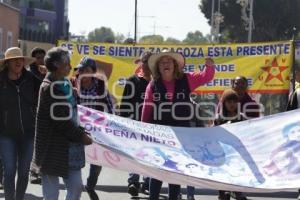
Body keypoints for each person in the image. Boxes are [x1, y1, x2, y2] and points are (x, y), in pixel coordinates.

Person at [141, 50, 215, 200]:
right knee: (158, 172)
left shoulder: (186, 79)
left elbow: (206, 76)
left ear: (175, 65)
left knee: (175, 172)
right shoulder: (153, 85)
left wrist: (209, 65)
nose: (166, 63)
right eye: (162, 62)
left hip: (181, 135)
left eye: (169, 61)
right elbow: (147, 108)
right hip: (159, 134)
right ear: (158, 67)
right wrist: (143, 132)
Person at [31, 47, 93, 200]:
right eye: (67, 64)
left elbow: (71, 115)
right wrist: (82, 136)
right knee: (51, 194)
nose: (71, 67)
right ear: (57, 65)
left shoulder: (65, 84)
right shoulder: (48, 88)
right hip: (52, 146)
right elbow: (62, 121)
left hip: (70, 147)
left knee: (76, 187)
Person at [0, 47, 40, 200]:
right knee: (9, 171)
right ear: (8, 62)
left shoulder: (30, 78)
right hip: (5, 135)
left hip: (28, 134)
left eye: (21, 59)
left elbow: (47, 90)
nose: (19, 62)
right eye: (15, 59)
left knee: (24, 172)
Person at [71, 56, 113, 200]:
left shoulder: (100, 86)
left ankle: (90, 185)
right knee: (75, 160)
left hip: (96, 130)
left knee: (96, 163)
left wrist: (111, 124)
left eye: (87, 70)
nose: (83, 73)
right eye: (81, 69)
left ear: (94, 72)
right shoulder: (72, 84)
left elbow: (109, 107)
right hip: (77, 129)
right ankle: (76, 186)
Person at [119, 51, 152, 196]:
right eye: (144, 62)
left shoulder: (158, 83)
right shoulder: (132, 81)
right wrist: (123, 123)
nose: (146, 66)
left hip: (153, 128)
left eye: (149, 62)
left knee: (150, 156)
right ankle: (133, 182)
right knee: (135, 154)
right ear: (141, 63)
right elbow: (125, 104)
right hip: (134, 125)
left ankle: (147, 183)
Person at [215, 89, 247, 200]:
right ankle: (223, 193)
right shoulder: (218, 119)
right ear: (224, 103)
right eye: (229, 101)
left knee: (237, 177)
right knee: (223, 185)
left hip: (238, 155)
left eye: (234, 101)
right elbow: (212, 136)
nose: (232, 104)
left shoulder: (242, 117)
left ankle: (238, 191)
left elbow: (247, 135)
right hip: (222, 155)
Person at [29, 47, 47, 185]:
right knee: (35, 143)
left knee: (42, 143)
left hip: (47, 112)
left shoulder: (48, 73)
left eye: (42, 57)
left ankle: (40, 171)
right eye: (38, 57)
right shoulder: (29, 74)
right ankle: (33, 172)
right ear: (33, 58)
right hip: (33, 112)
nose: (40, 60)